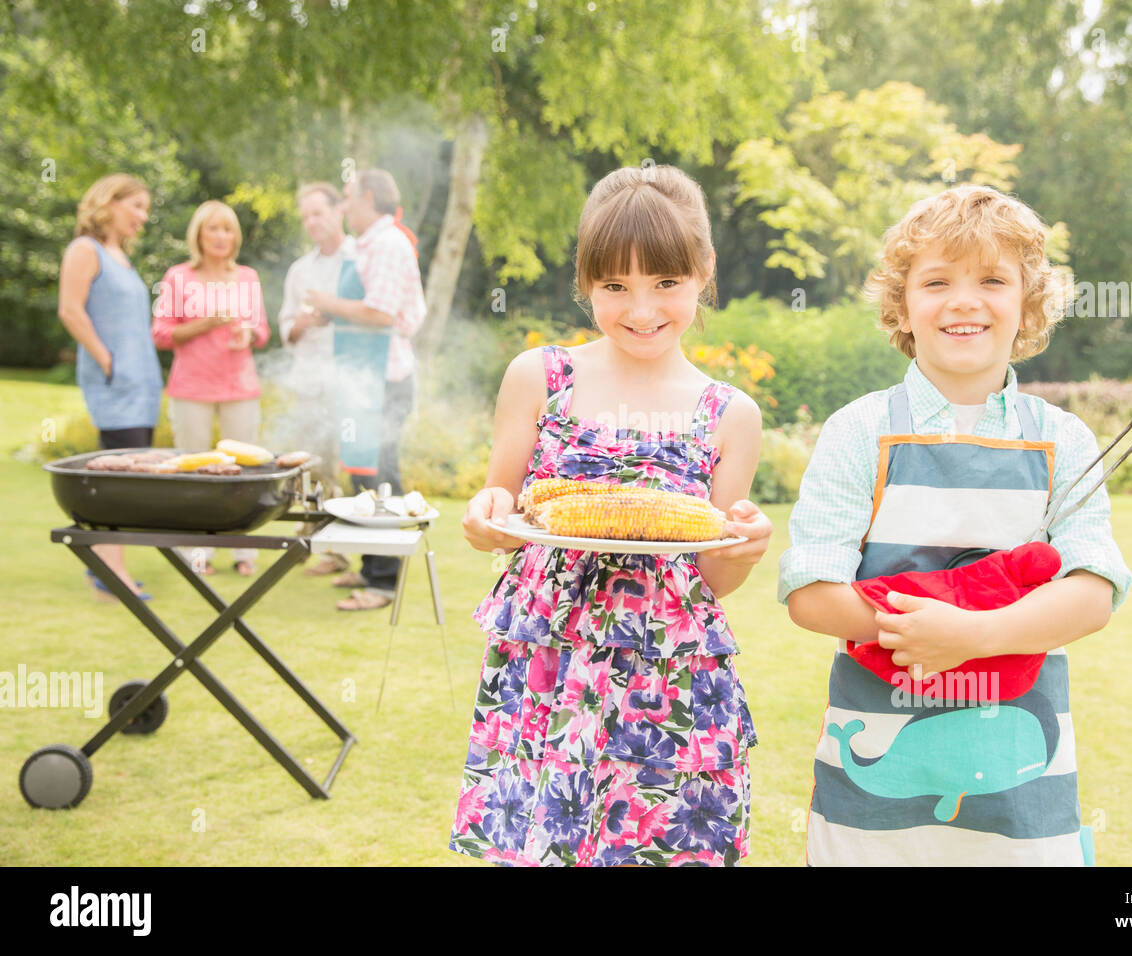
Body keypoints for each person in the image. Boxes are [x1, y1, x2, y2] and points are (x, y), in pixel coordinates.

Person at [779, 184, 1132, 866]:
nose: (964, 300)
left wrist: (975, 635)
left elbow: (1093, 592)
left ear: (1027, 304)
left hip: (1023, 787)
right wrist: (921, 631)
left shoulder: (1063, 440)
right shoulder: (862, 431)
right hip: (869, 805)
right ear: (903, 304)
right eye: (937, 280)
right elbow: (811, 593)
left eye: (993, 280)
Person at [453, 165, 774, 866]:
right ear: (586, 282)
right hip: (549, 662)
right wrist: (485, 520)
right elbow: (502, 507)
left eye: (666, 283)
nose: (641, 309)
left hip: (667, 672)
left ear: (704, 272)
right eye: (615, 287)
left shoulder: (729, 414)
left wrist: (742, 547)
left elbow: (711, 580)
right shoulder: (540, 376)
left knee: (659, 846)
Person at [301, 169, 425, 611]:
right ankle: (371, 565)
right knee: (361, 475)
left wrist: (326, 303)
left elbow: (379, 314)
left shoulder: (390, 244)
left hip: (384, 382)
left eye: (349, 198)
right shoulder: (368, 245)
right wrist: (330, 316)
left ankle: (383, 583)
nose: (343, 206)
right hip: (360, 380)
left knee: (381, 477)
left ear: (368, 198)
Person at [57, 173, 163, 602]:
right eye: (136, 206)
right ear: (109, 202)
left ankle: (107, 563)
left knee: (131, 476)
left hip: (142, 383)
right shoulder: (86, 249)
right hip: (115, 383)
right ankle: (109, 569)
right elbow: (70, 310)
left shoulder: (121, 256)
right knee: (119, 476)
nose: (142, 217)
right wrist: (107, 360)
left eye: (146, 210)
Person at [152, 200, 270, 577]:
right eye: (213, 229)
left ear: (235, 236)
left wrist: (246, 332)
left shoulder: (247, 277)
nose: (221, 236)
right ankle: (196, 553)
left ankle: (243, 550)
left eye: (228, 229)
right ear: (198, 235)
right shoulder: (178, 277)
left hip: (240, 386)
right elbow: (161, 334)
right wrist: (206, 323)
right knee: (195, 469)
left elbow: (262, 331)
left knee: (243, 470)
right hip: (192, 388)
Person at [277, 181, 355, 577]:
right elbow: (285, 329)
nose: (312, 222)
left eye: (318, 213)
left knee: (349, 468)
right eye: (306, 216)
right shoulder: (300, 270)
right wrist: (302, 323)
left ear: (339, 210)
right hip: (308, 381)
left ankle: (341, 549)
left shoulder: (359, 258)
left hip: (351, 382)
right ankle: (312, 539)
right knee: (310, 466)